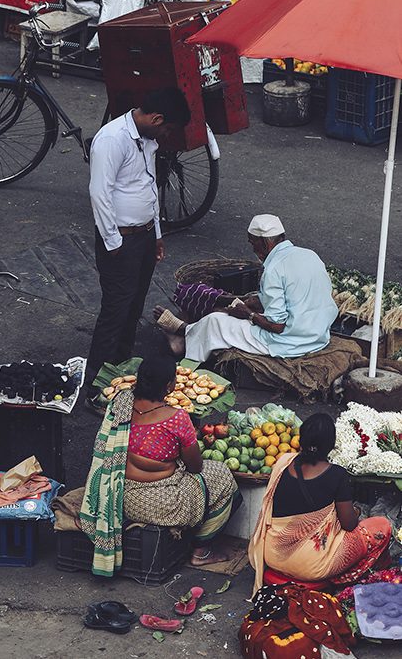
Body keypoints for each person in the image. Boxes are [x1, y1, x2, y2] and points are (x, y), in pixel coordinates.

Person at [84, 87, 192, 412]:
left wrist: (156, 232)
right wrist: (114, 243)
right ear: (157, 119)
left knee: (133, 308)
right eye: (167, 128)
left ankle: (119, 375)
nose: (166, 134)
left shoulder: (147, 139)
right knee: (114, 313)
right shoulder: (111, 139)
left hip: (143, 237)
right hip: (121, 240)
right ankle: (94, 388)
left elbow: (147, 186)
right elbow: (99, 193)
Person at [80, 354, 239, 575]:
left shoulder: (119, 403)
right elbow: (195, 467)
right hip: (159, 503)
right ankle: (200, 551)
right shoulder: (176, 418)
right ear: (169, 385)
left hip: (115, 496)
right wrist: (191, 438)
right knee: (222, 475)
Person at [155, 215, 338, 365]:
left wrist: (248, 314)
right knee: (223, 320)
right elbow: (298, 295)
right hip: (318, 335)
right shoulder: (309, 255)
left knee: (216, 320)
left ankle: (182, 339)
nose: (252, 249)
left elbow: (277, 326)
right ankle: (186, 331)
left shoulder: (273, 270)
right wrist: (262, 300)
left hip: (290, 342)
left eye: (253, 244)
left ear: (265, 243)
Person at [249, 412, 391, 592]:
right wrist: (355, 512)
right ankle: (346, 579)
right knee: (381, 525)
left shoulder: (283, 462)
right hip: (312, 566)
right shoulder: (337, 475)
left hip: (272, 555)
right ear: (332, 444)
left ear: (301, 440)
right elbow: (349, 525)